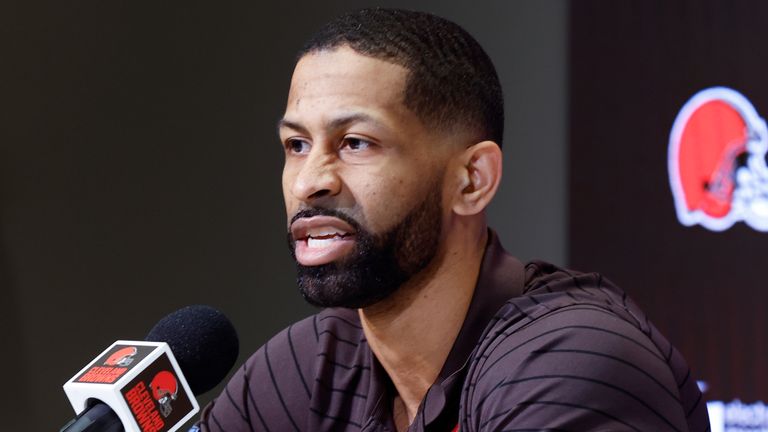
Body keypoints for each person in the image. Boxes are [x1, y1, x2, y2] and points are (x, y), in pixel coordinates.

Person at [196, 8, 710, 431]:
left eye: (355, 143)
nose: (310, 181)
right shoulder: (311, 365)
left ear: (472, 180)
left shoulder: (572, 362)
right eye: (297, 145)